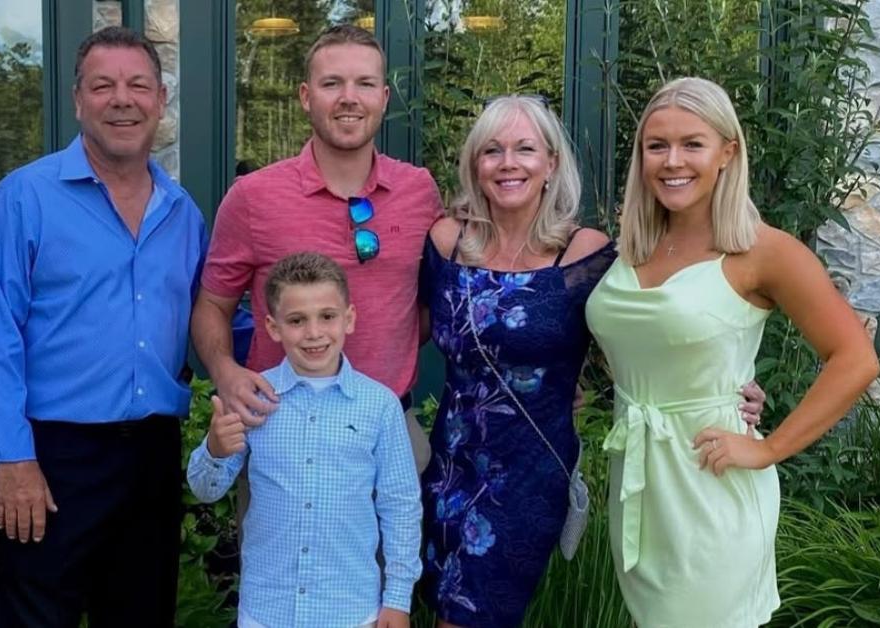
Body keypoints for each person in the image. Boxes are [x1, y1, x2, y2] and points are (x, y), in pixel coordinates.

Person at [586, 77, 879, 627]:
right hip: (643, 490)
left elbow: (856, 359)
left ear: (728, 151)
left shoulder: (761, 250)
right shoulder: (635, 244)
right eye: (657, 146)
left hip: (711, 486)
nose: (672, 161)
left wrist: (769, 449)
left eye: (692, 144)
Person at [0, 26, 206, 628]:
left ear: (160, 101)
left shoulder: (183, 213)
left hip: (152, 452)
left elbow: (212, 319)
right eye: (103, 86)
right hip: (52, 456)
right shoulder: (24, 198)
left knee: (141, 616)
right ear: (78, 101)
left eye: (138, 86)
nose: (121, 100)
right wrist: (11, 458)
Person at [192, 24, 442, 474]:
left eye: (364, 83)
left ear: (384, 97)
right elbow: (212, 304)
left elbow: (433, 305)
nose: (349, 97)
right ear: (306, 96)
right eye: (332, 84)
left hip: (390, 429)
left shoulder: (419, 191)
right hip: (281, 433)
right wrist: (225, 372)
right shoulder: (253, 197)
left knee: (398, 547)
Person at [417, 96, 614, 627]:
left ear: (551, 163)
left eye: (525, 149)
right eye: (493, 150)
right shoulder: (446, 241)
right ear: (475, 166)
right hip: (448, 465)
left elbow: (645, 332)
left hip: (527, 475)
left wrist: (733, 384)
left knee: (468, 616)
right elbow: (402, 326)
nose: (508, 163)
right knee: (441, 604)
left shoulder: (583, 253)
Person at [188, 252, 421, 628]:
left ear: (349, 319)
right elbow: (204, 490)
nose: (313, 333)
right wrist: (215, 449)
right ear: (273, 326)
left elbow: (401, 506)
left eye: (327, 316)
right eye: (297, 320)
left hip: (350, 610)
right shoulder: (253, 397)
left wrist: (398, 598)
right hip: (267, 611)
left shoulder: (380, 405)